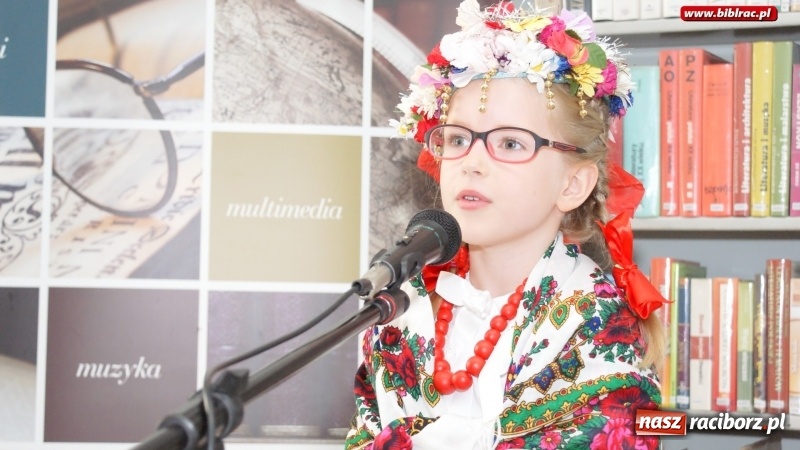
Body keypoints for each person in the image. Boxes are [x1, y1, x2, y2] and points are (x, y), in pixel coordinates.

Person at [346, 1, 666, 449]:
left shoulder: (599, 324)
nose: (472, 162)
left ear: (573, 184)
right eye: (458, 138)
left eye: (511, 143)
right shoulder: (402, 310)